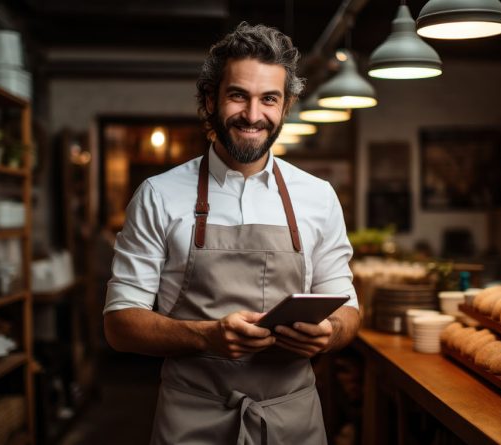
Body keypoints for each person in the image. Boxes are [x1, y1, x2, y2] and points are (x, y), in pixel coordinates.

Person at [103, 22, 360, 445]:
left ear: (287, 105)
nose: (253, 115)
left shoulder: (318, 196)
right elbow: (120, 324)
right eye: (238, 95)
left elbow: (349, 310)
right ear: (210, 99)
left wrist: (329, 332)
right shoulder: (158, 195)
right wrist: (206, 336)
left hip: (292, 420)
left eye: (269, 99)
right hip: (192, 417)